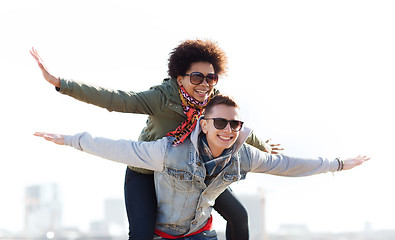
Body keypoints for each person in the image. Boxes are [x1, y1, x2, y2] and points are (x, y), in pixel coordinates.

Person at [30, 39, 283, 240]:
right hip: (147, 171)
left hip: (189, 172)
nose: (205, 84)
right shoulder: (163, 97)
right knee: (141, 235)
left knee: (239, 216)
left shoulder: (212, 101)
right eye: (197, 77)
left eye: (211, 78)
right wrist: (61, 83)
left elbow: (233, 125)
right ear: (180, 77)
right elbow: (117, 99)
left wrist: (262, 147)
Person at [35, 94, 369, 240]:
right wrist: (71, 139)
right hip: (163, 235)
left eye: (235, 125)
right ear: (204, 124)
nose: (229, 130)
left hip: (200, 234)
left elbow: (287, 165)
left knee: (238, 217)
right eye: (221, 122)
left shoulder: (243, 155)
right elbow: (121, 149)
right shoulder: (169, 151)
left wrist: (337, 164)